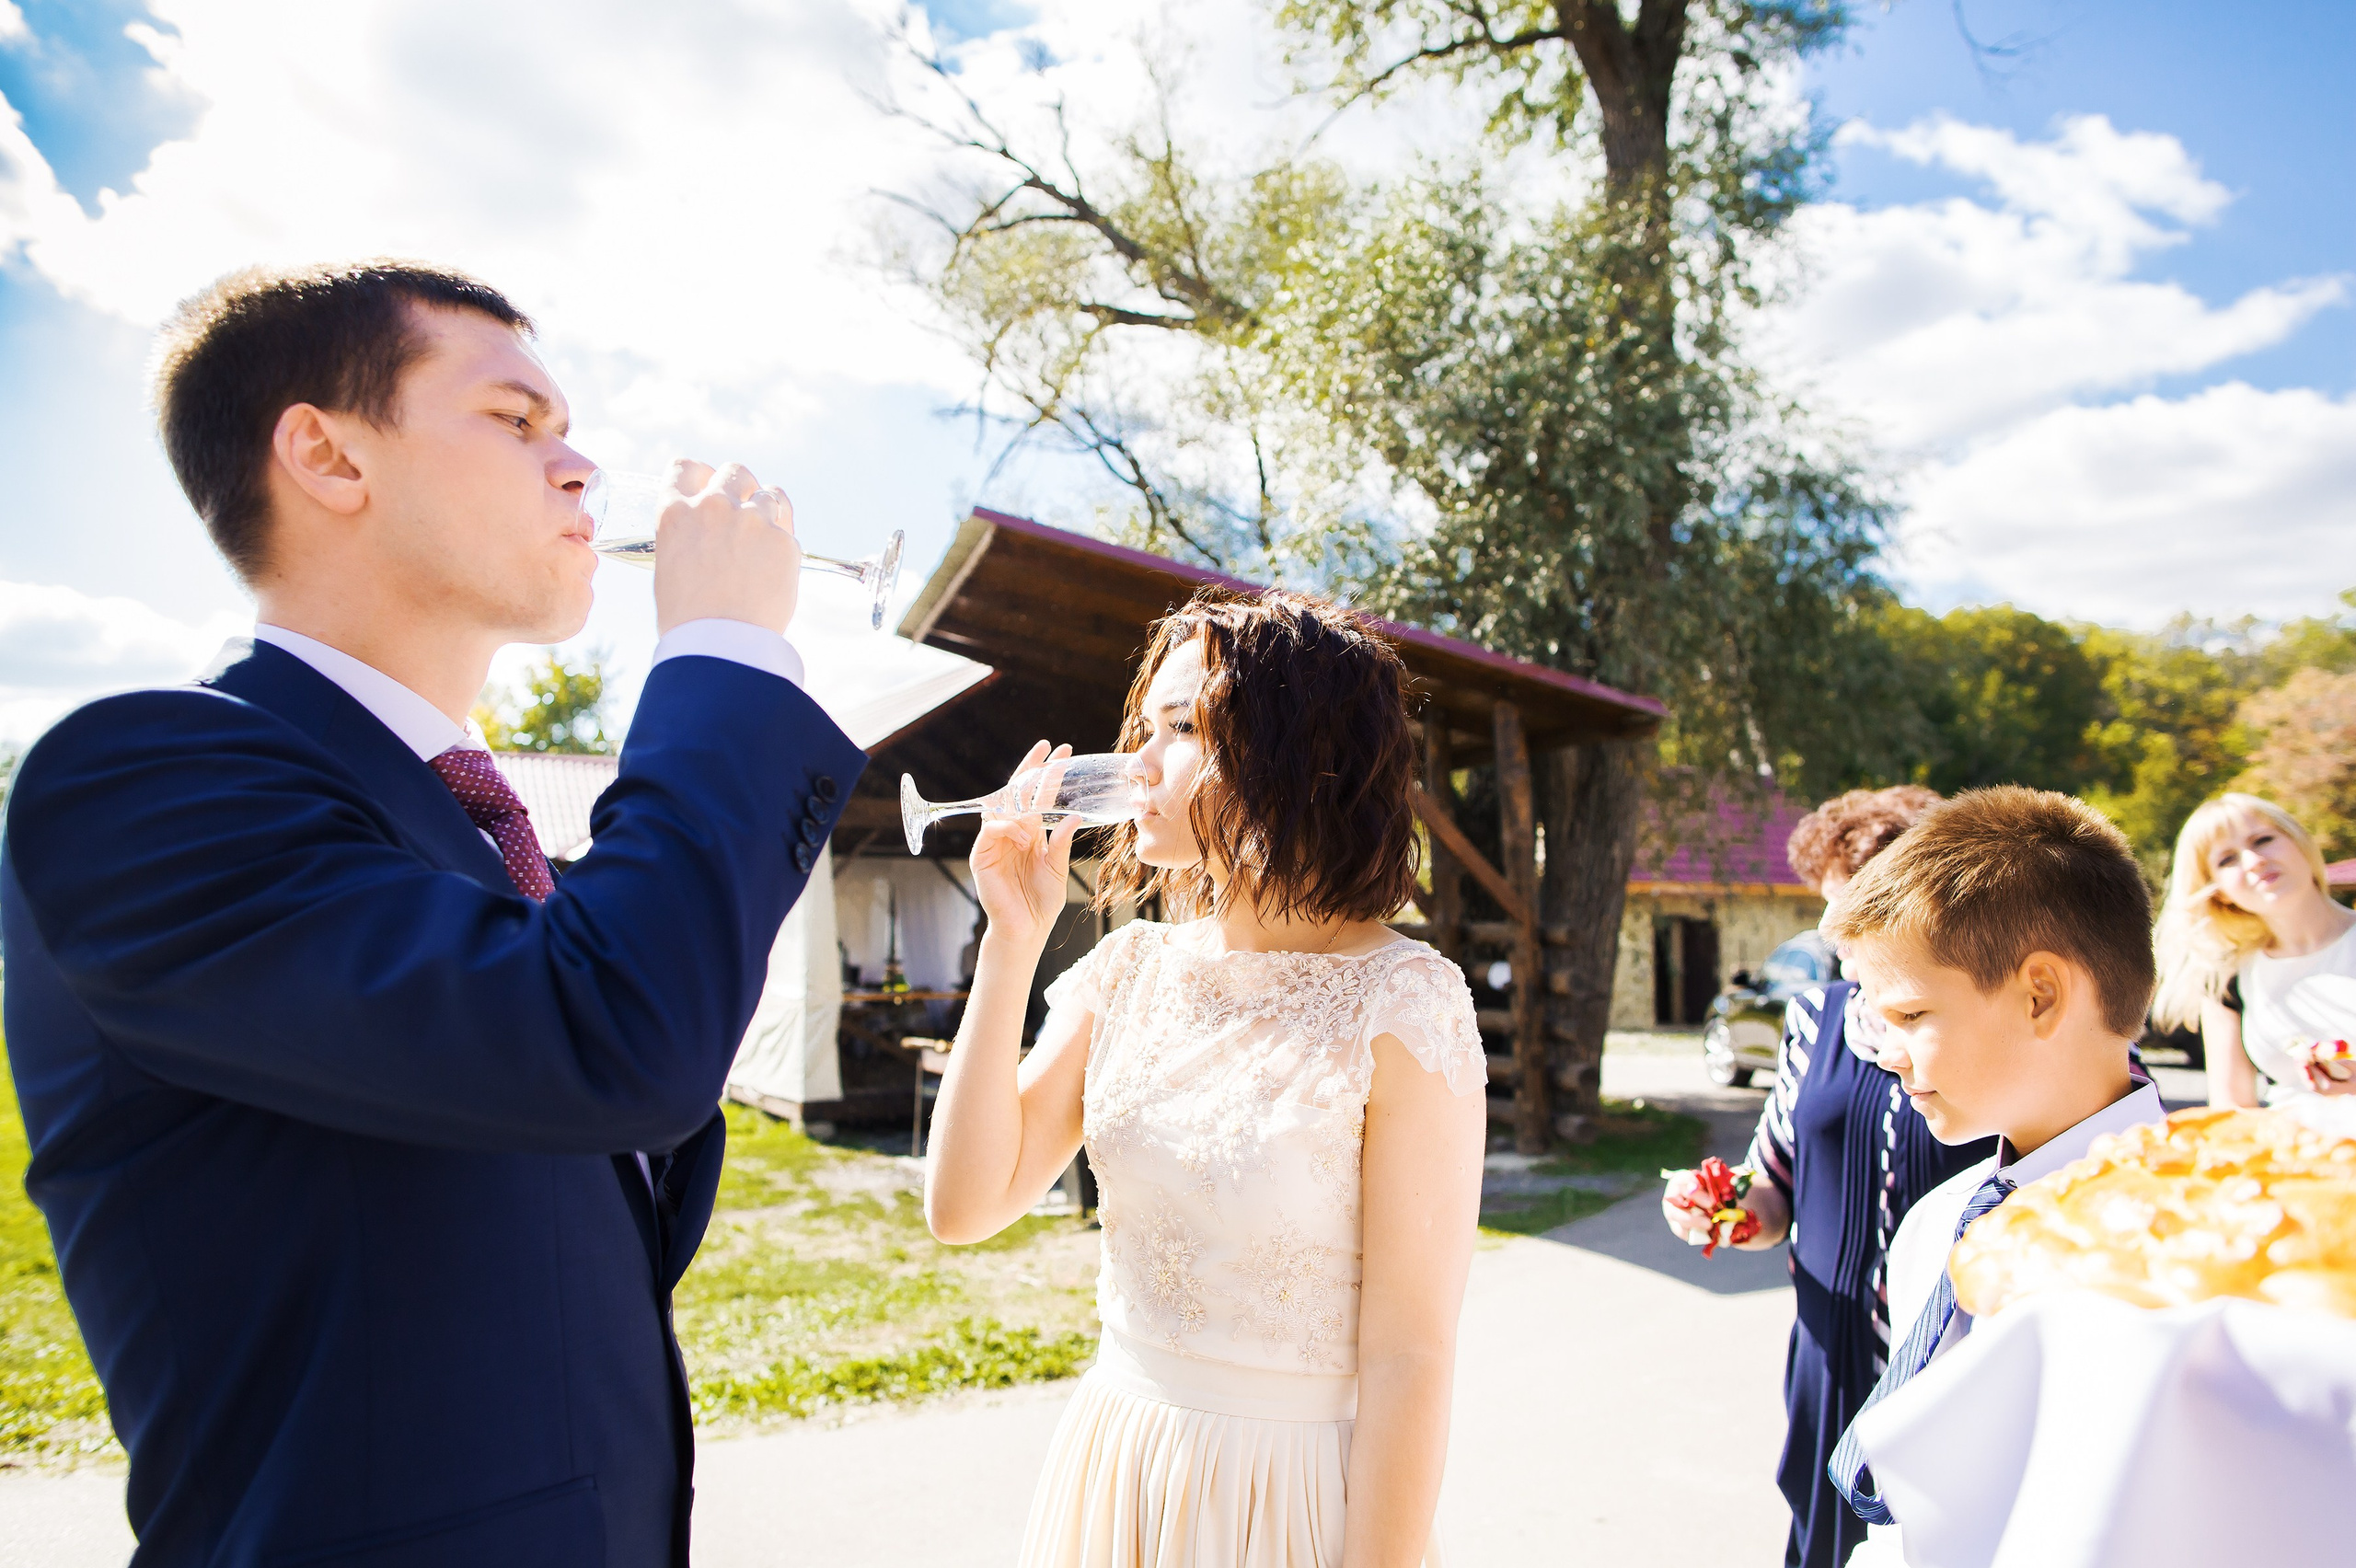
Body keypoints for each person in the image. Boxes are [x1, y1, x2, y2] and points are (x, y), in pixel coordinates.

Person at [0, 262, 864, 1566]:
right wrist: (721, 660)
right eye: (517, 422)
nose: (581, 469)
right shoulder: (142, 779)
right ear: (329, 458)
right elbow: (616, 1040)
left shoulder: (468, 830)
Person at [923, 589, 1486, 1568]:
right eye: (1146, 725)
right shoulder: (1127, 971)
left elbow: (1410, 1358)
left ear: (1301, 752)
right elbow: (965, 1207)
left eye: (1182, 727)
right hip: (1118, 1463)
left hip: (1290, 1498)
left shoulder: (1405, 1002)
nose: (1136, 762)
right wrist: (1008, 947)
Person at [1819, 787, 2164, 1561]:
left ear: (2040, 995)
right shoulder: (1937, 1224)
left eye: (1909, 1017)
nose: (1887, 1052)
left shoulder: (2194, 1244)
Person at [1659, 785, 1992, 1568]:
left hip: (1959, 1349)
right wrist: (1728, 1208)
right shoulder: (1815, 1015)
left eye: (1855, 905)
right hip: (1831, 1351)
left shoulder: (1989, 1018)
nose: (1831, 931)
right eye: (1826, 905)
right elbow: (1773, 1183)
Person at [2152, 793, 2356, 1117]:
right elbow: (2232, 1110)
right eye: (2227, 859)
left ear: (2301, 843)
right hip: (2298, 1160)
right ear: (2218, 892)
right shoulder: (2227, 979)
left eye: (2263, 840)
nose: (2254, 861)